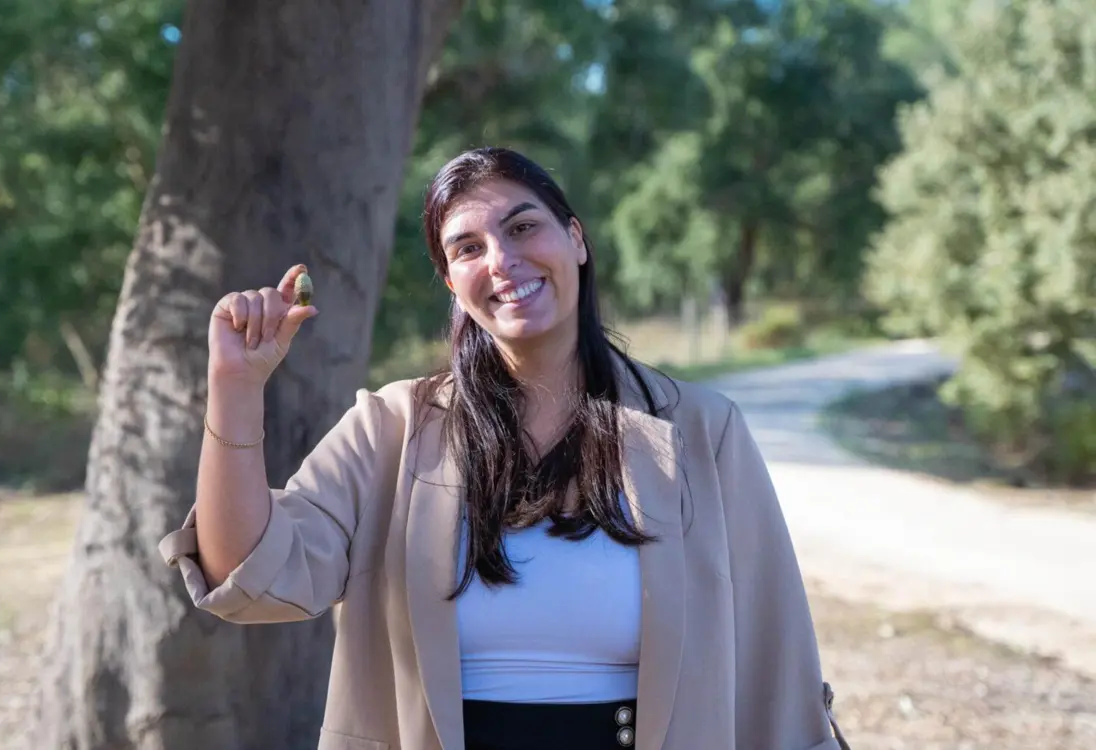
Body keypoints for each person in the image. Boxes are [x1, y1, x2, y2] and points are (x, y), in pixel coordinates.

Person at [159, 147, 851, 750]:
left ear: (576, 239)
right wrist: (236, 387)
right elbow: (249, 575)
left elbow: (775, 650)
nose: (502, 260)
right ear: (452, 283)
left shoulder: (703, 430)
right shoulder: (391, 429)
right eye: (467, 248)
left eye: (523, 227)